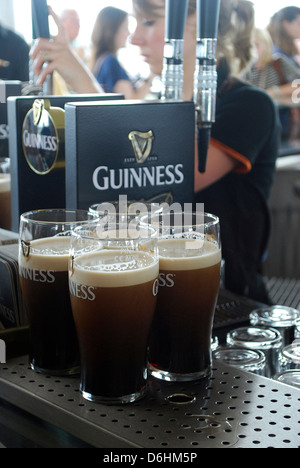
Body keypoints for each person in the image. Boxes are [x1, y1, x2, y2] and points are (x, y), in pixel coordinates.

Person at [30, 0, 280, 304]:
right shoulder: (162, 104)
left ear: (197, 23)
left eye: (148, 22)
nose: (134, 39)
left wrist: (80, 75)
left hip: (227, 298)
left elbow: (154, 179)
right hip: (157, 291)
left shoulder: (248, 105)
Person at [245, 27, 300, 145]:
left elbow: (298, 84)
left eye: (256, 45)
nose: (253, 50)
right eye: (250, 45)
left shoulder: (277, 63)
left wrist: (273, 92)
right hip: (255, 127)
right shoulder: (246, 69)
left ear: (266, 44)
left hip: (280, 124)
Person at [90, 6, 153, 99]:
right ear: (112, 30)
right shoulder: (111, 61)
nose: (129, 33)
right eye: (125, 28)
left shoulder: (101, 59)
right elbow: (131, 102)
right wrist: (151, 76)